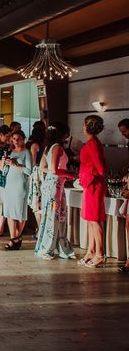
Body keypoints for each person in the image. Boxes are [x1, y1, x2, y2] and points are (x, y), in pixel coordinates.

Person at [35, 122, 77, 260]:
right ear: (62, 134)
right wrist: (69, 174)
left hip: (52, 185)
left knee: (55, 216)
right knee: (54, 217)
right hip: (55, 187)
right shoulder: (57, 147)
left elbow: (42, 167)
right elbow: (53, 169)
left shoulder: (48, 147)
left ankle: (58, 248)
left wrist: (56, 176)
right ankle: (48, 249)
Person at [78, 115, 107, 268]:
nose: (82, 127)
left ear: (87, 127)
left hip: (94, 185)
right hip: (90, 185)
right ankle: (90, 251)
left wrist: (88, 176)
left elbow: (101, 169)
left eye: (84, 124)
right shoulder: (91, 143)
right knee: (90, 220)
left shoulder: (93, 144)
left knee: (95, 221)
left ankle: (100, 254)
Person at [2, 131, 33, 251]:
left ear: (23, 139)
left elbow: (29, 171)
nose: (16, 141)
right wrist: (5, 163)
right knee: (9, 211)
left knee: (19, 211)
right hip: (9, 182)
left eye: (19, 139)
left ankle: (17, 237)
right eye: (14, 139)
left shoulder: (27, 152)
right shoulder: (10, 152)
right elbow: (4, 170)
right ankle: (13, 237)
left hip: (20, 184)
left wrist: (15, 164)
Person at [26, 123, 46, 238]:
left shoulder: (34, 145)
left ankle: (39, 229)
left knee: (36, 202)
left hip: (36, 173)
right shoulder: (45, 145)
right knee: (39, 201)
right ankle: (39, 228)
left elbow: (32, 162)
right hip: (42, 173)